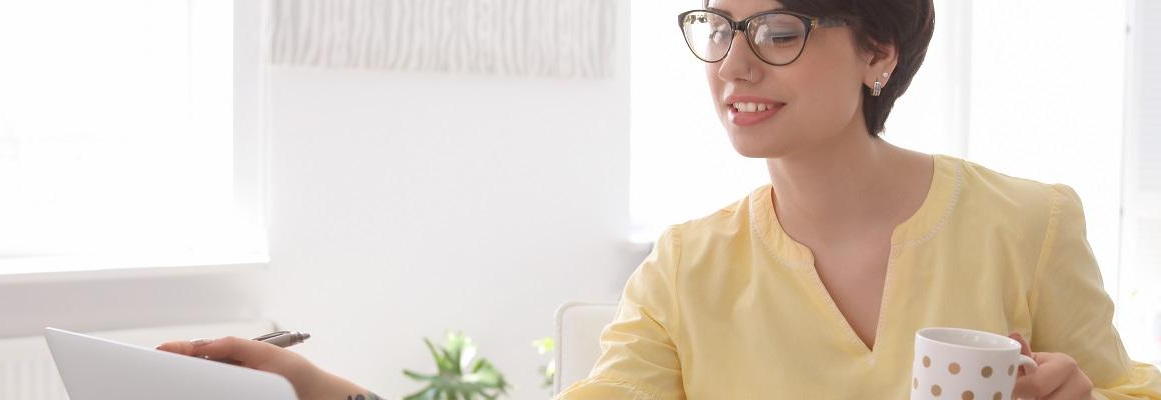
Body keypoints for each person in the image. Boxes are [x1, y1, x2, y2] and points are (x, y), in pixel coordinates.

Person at [159, 0, 1161, 398]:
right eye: (716, 28)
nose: (733, 63)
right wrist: (310, 386)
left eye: (777, 31)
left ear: (878, 51)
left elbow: (1122, 391)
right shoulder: (689, 265)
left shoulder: (1028, 223)